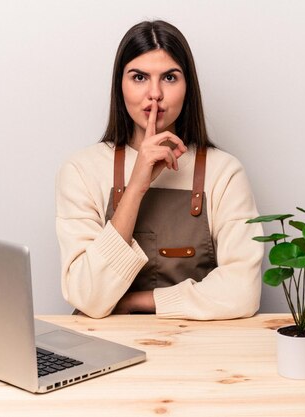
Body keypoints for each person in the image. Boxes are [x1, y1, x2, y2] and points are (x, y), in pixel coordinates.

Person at [55, 20, 263, 320]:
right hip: (111, 351)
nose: (154, 94)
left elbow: (243, 291)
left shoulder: (224, 172)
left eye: (169, 77)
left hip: (205, 351)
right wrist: (137, 185)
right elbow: (89, 297)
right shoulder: (81, 170)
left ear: (187, 86)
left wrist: (136, 302)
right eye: (139, 77)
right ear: (119, 86)